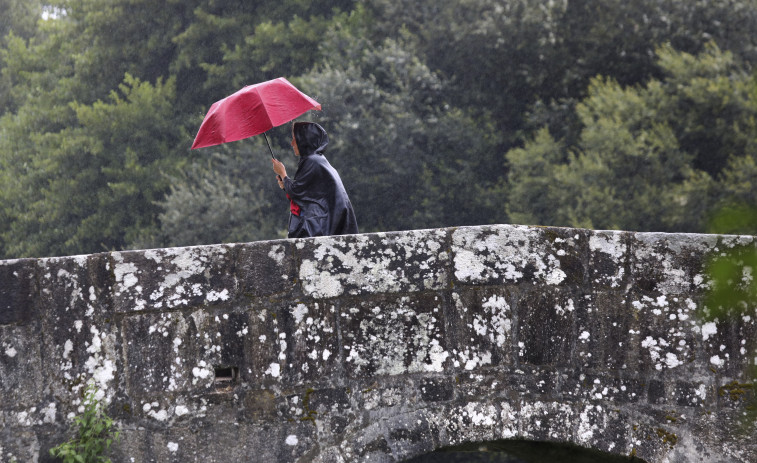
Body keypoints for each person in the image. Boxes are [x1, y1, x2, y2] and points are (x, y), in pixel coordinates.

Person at [271, 122, 358, 238]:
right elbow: (307, 193)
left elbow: (297, 191)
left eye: (294, 139)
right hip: (331, 221)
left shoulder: (312, 161)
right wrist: (285, 183)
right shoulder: (318, 160)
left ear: (304, 140)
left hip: (323, 225)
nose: (292, 143)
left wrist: (282, 173)